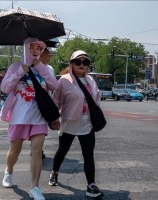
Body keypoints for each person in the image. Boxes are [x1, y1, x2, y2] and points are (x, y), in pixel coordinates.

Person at [0, 37, 58, 200]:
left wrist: (40, 68)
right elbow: (4, 88)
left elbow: (55, 86)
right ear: (25, 48)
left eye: (38, 48)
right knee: (15, 151)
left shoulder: (46, 68)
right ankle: (9, 171)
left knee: (37, 150)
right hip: (19, 117)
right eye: (31, 47)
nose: (35, 50)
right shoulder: (15, 67)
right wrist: (20, 72)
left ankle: (35, 187)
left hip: (39, 116)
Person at [49, 50, 104, 198]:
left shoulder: (91, 80)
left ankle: (91, 184)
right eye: (78, 62)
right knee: (62, 151)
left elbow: (97, 98)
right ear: (71, 64)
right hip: (69, 123)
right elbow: (56, 100)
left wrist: (96, 113)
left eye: (85, 62)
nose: (82, 64)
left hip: (87, 123)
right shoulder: (64, 80)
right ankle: (54, 172)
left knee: (88, 155)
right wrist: (54, 119)